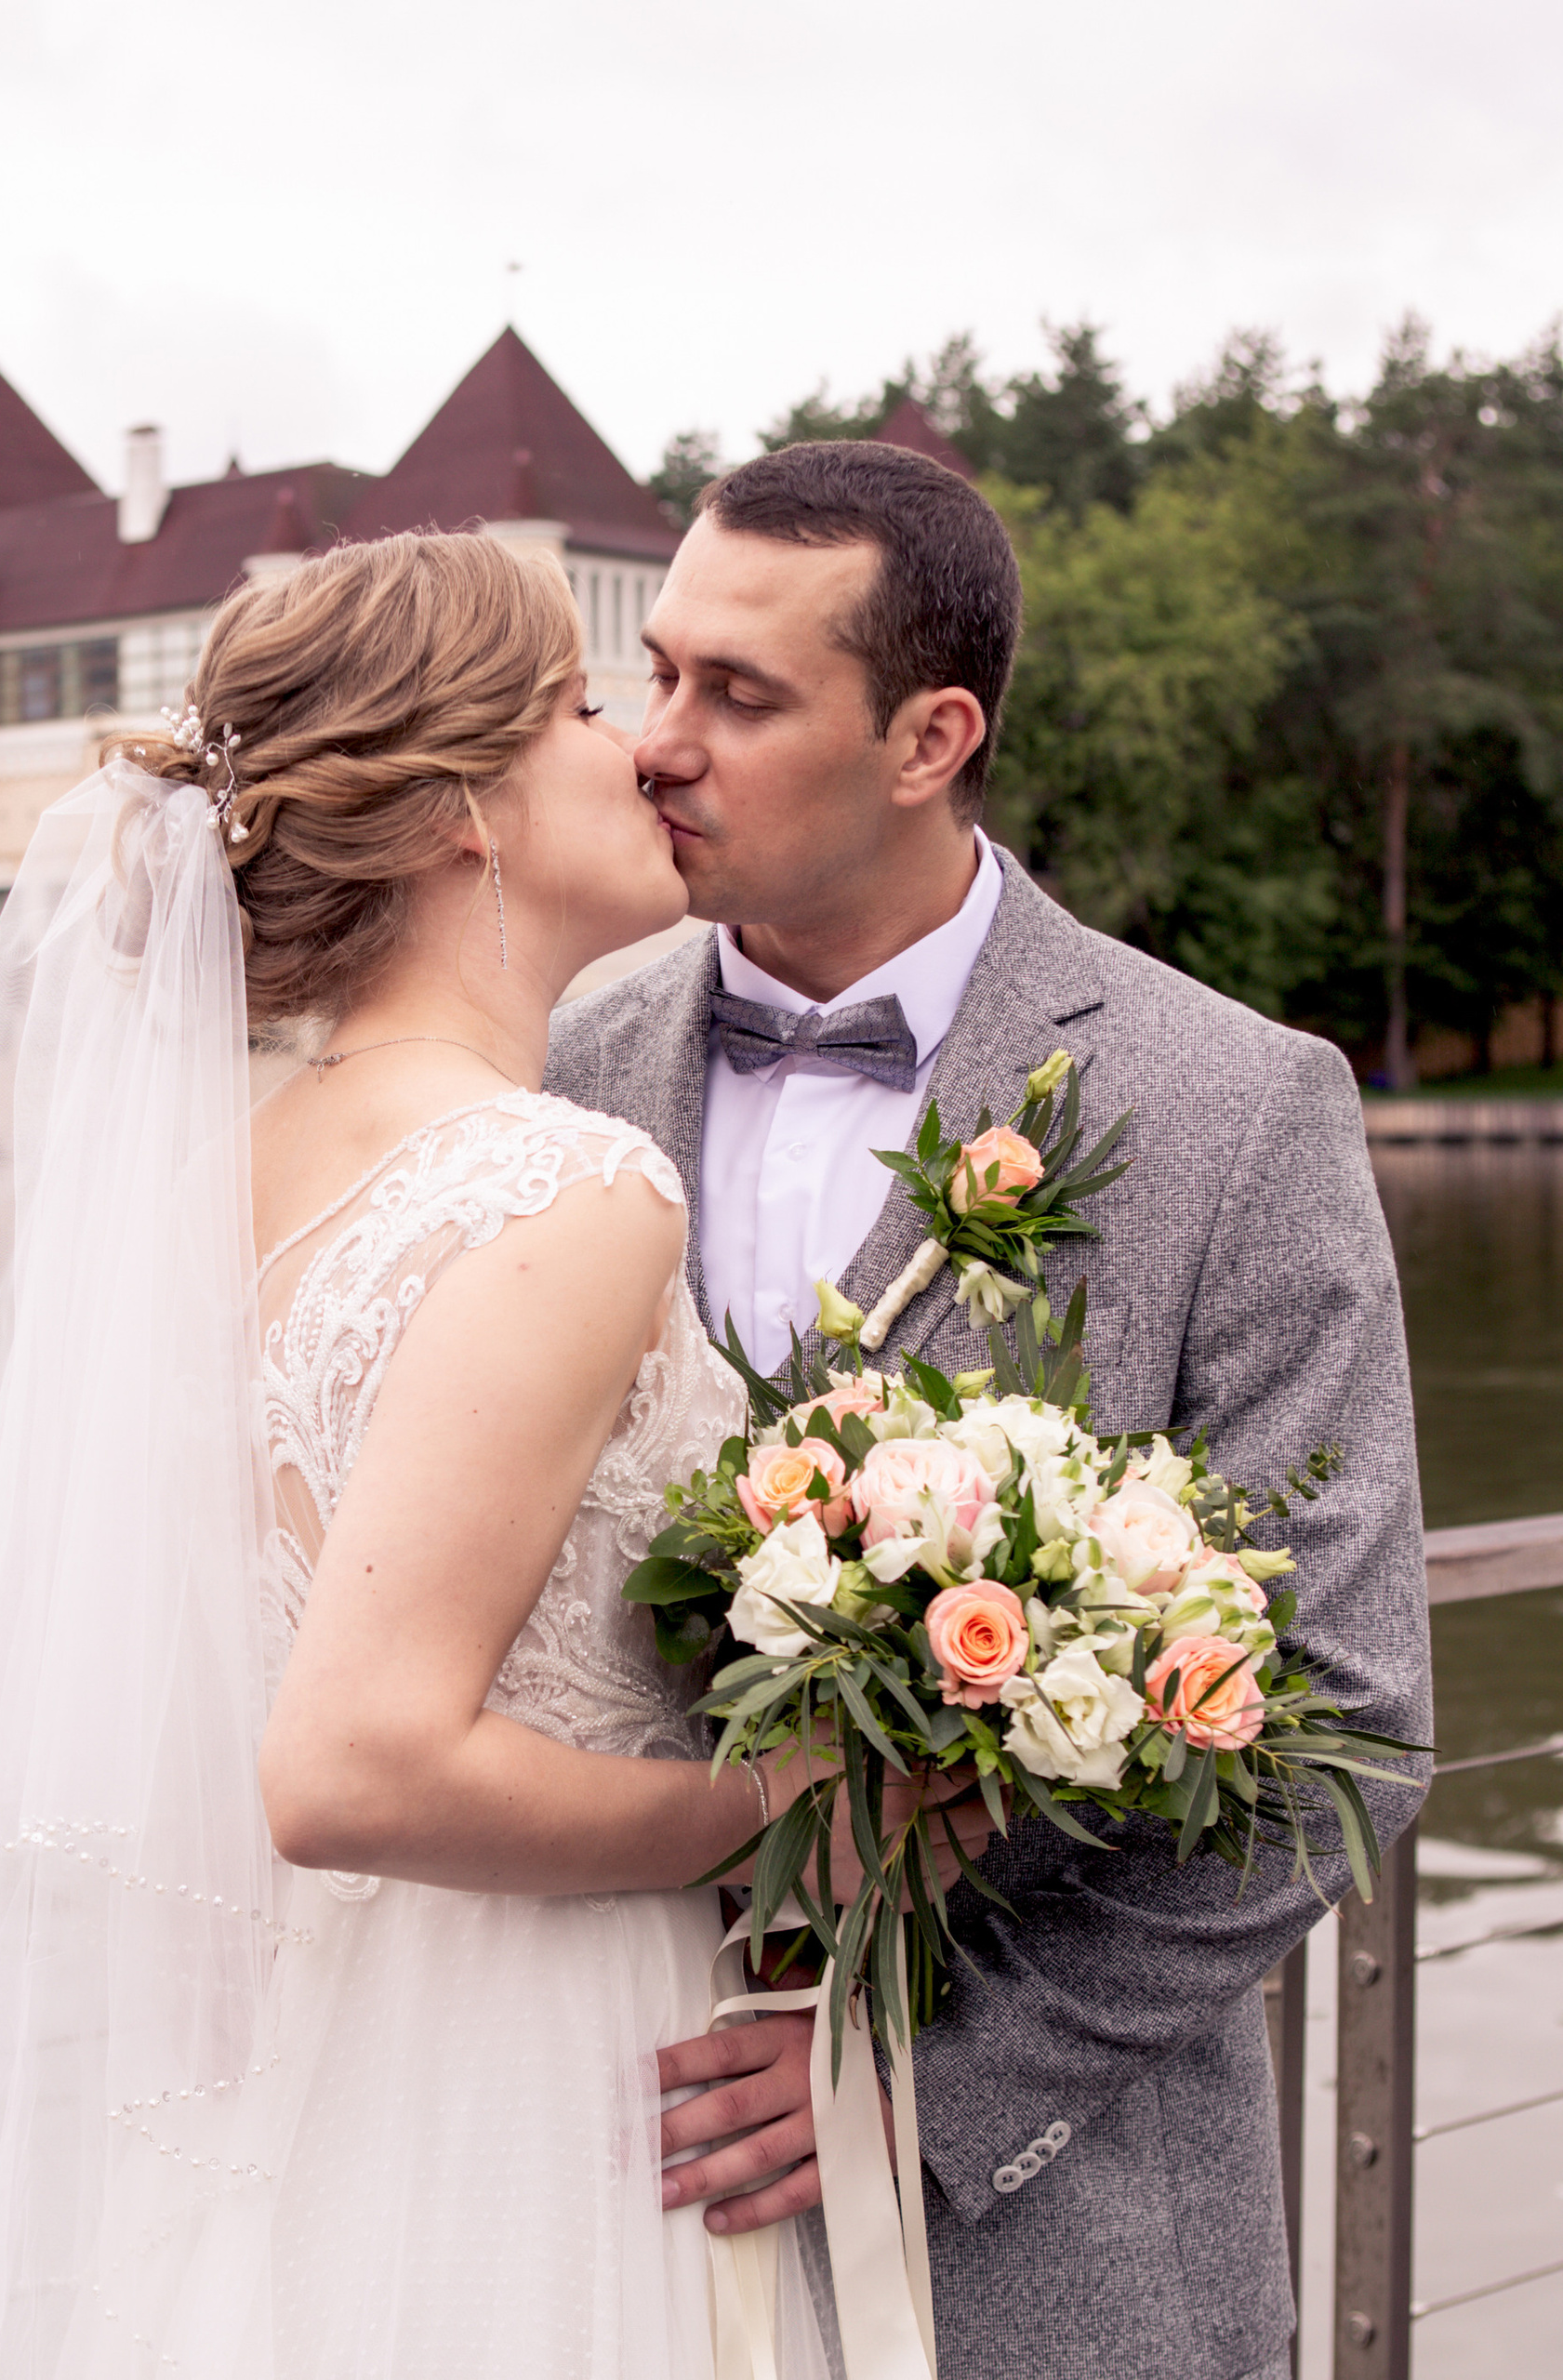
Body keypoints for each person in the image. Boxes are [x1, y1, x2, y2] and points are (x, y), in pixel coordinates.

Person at [0, 530, 974, 2379]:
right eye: (585, 705)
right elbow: (350, 1763)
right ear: (464, 805)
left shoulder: (223, 1174)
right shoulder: (560, 1183)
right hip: (521, 2075)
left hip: (303, 2060)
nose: (643, 748)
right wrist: (778, 1800)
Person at [546, 441, 1436, 2380]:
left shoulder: (1235, 1110)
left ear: (928, 733)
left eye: (739, 694)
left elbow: (1344, 1728)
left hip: (1062, 2246)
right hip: (580, 2181)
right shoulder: (553, 1060)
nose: (653, 743)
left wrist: (925, 2085)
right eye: (656, 670)